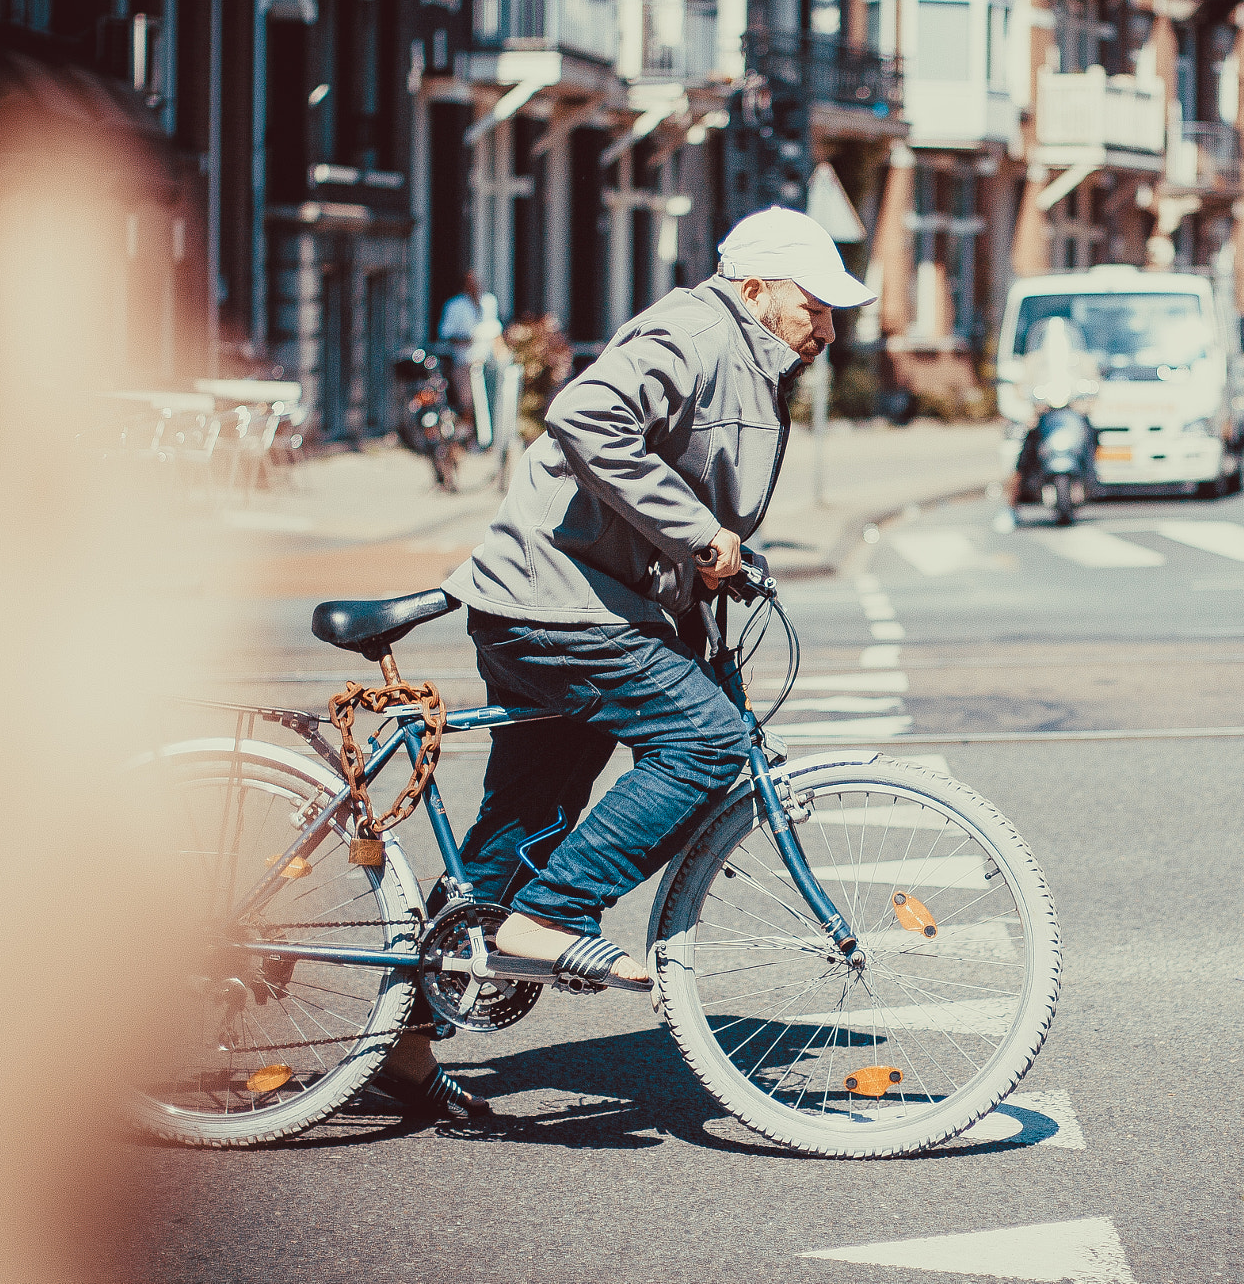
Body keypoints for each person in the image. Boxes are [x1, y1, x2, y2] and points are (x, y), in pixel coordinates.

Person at [375, 208, 874, 1120]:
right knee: (711, 746)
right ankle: (553, 919)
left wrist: (708, 572)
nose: (830, 328)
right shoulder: (693, 331)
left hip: (572, 603)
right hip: (557, 605)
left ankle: (398, 1045)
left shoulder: (751, 352)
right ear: (756, 289)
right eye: (817, 305)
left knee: (524, 823)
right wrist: (698, 535)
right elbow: (585, 417)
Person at [437, 271, 502, 424]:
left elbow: (495, 329)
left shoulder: (489, 302)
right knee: (467, 402)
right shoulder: (455, 306)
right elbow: (445, 333)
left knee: (488, 402)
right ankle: (469, 436)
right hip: (465, 362)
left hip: (487, 361)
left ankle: (485, 438)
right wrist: (466, 339)